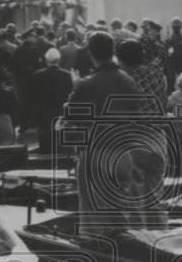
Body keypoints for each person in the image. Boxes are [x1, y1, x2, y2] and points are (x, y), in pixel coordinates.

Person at [64, 31, 166, 234]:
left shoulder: (86, 83)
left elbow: (72, 119)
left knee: (92, 217)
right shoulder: (129, 81)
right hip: (124, 154)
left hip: (97, 152)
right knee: (121, 216)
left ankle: (97, 258)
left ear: (91, 54)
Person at [31, 47, 75, 153]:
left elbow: (34, 94)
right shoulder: (67, 74)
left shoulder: (37, 74)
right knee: (59, 132)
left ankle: (45, 149)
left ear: (46, 61)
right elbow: (70, 92)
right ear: (59, 60)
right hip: (59, 107)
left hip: (43, 109)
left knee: (45, 132)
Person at [118, 38, 167, 114]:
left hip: (144, 125)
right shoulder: (154, 70)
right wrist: (151, 39)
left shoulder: (126, 86)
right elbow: (163, 52)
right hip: (164, 122)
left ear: (121, 62)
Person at [164, 18, 182, 90]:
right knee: (171, 83)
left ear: (180, 27)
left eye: (177, 27)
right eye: (174, 27)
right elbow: (166, 53)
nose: (176, 28)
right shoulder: (168, 40)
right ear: (172, 27)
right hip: (171, 64)